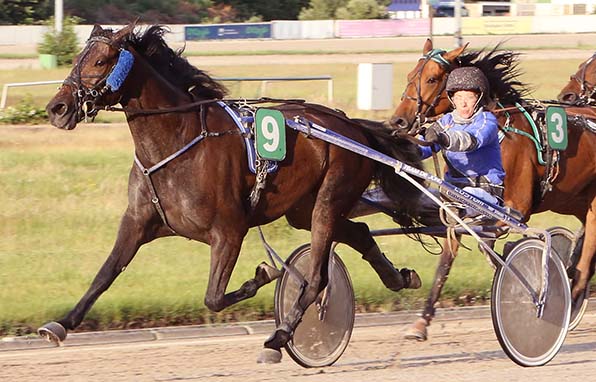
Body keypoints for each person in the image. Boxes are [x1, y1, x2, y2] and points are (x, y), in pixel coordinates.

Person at [420, 66, 505, 217]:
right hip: (451, 190)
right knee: (412, 197)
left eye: (469, 97)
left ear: (479, 98)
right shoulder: (446, 121)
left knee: (462, 196)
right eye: (458, 98)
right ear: (452, 100)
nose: (463, 104)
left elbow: (471, 141)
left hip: (484, 192)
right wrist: (402, 145)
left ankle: (455, 211)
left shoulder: (487, 121)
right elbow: (423, 149)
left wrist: (442, 138)